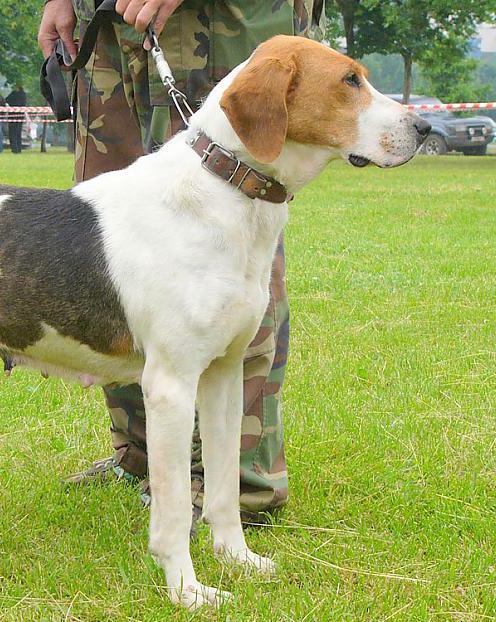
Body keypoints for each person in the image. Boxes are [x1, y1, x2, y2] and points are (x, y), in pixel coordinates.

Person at [38, 0, 324, 519]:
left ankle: (238, 484)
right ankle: (142, 455)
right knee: (116, 241)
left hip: (216, 19)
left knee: (225, 238)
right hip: (108, 22)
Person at [5, 84, 27, 153]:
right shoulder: (24, 94)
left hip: (13, 115)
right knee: (18, 133)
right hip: (20, 116)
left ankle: (14, 149)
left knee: (12, 133)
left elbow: (7, 100)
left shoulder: (14, 93)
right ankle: (19, 148)